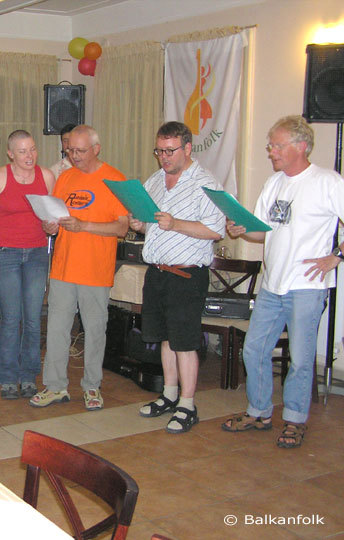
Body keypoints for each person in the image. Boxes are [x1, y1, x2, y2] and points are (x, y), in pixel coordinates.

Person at [222, 115, 344, 448]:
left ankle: (294, 419)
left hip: (306, 286)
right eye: (271, 144)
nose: (270, 150)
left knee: (302, 359)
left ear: (300, 146)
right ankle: (259, 412)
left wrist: (337, 256)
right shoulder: (274, 183)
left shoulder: (327, 181)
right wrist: (242, 229)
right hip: (272, 285)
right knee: (254, 349)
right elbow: (263, 230)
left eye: (277, 145)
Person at [130, 121, 225, 434]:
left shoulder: (205, 183)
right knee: (165, 337)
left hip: (186, 274)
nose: (163, 157)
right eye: (159, 151)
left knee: (184, 342)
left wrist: (177, 223)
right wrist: (139, 222)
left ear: (187, 148)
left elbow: (215, 230)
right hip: (158, 272)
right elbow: (149, 223)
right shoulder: (155, 179)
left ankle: (188, 404)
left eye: (170, 151)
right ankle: (169, 394)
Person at [29, 125, 128, 411]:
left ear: (96, 149)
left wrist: (84, 225)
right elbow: (56, 220)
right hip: (63, 267)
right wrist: (50, 225)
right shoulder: (66, 177)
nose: (74, 156)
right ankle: (55, 386)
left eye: (80, 151)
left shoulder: (114, 179)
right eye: (70, 150)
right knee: (57, 329)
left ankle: (92, 386)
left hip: (95, 270)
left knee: (95, 330)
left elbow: (121, 227)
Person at [0, 130, 55, 399]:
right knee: (12, 318)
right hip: (5, 253)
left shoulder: (46, 176)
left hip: (36, 253)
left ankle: (28, 376)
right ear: (11, 153)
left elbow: (52, 213)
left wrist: (51, 227)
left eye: (32, 149)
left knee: (33, 318)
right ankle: (9, 377)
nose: (29, 156)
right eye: (23, 151)